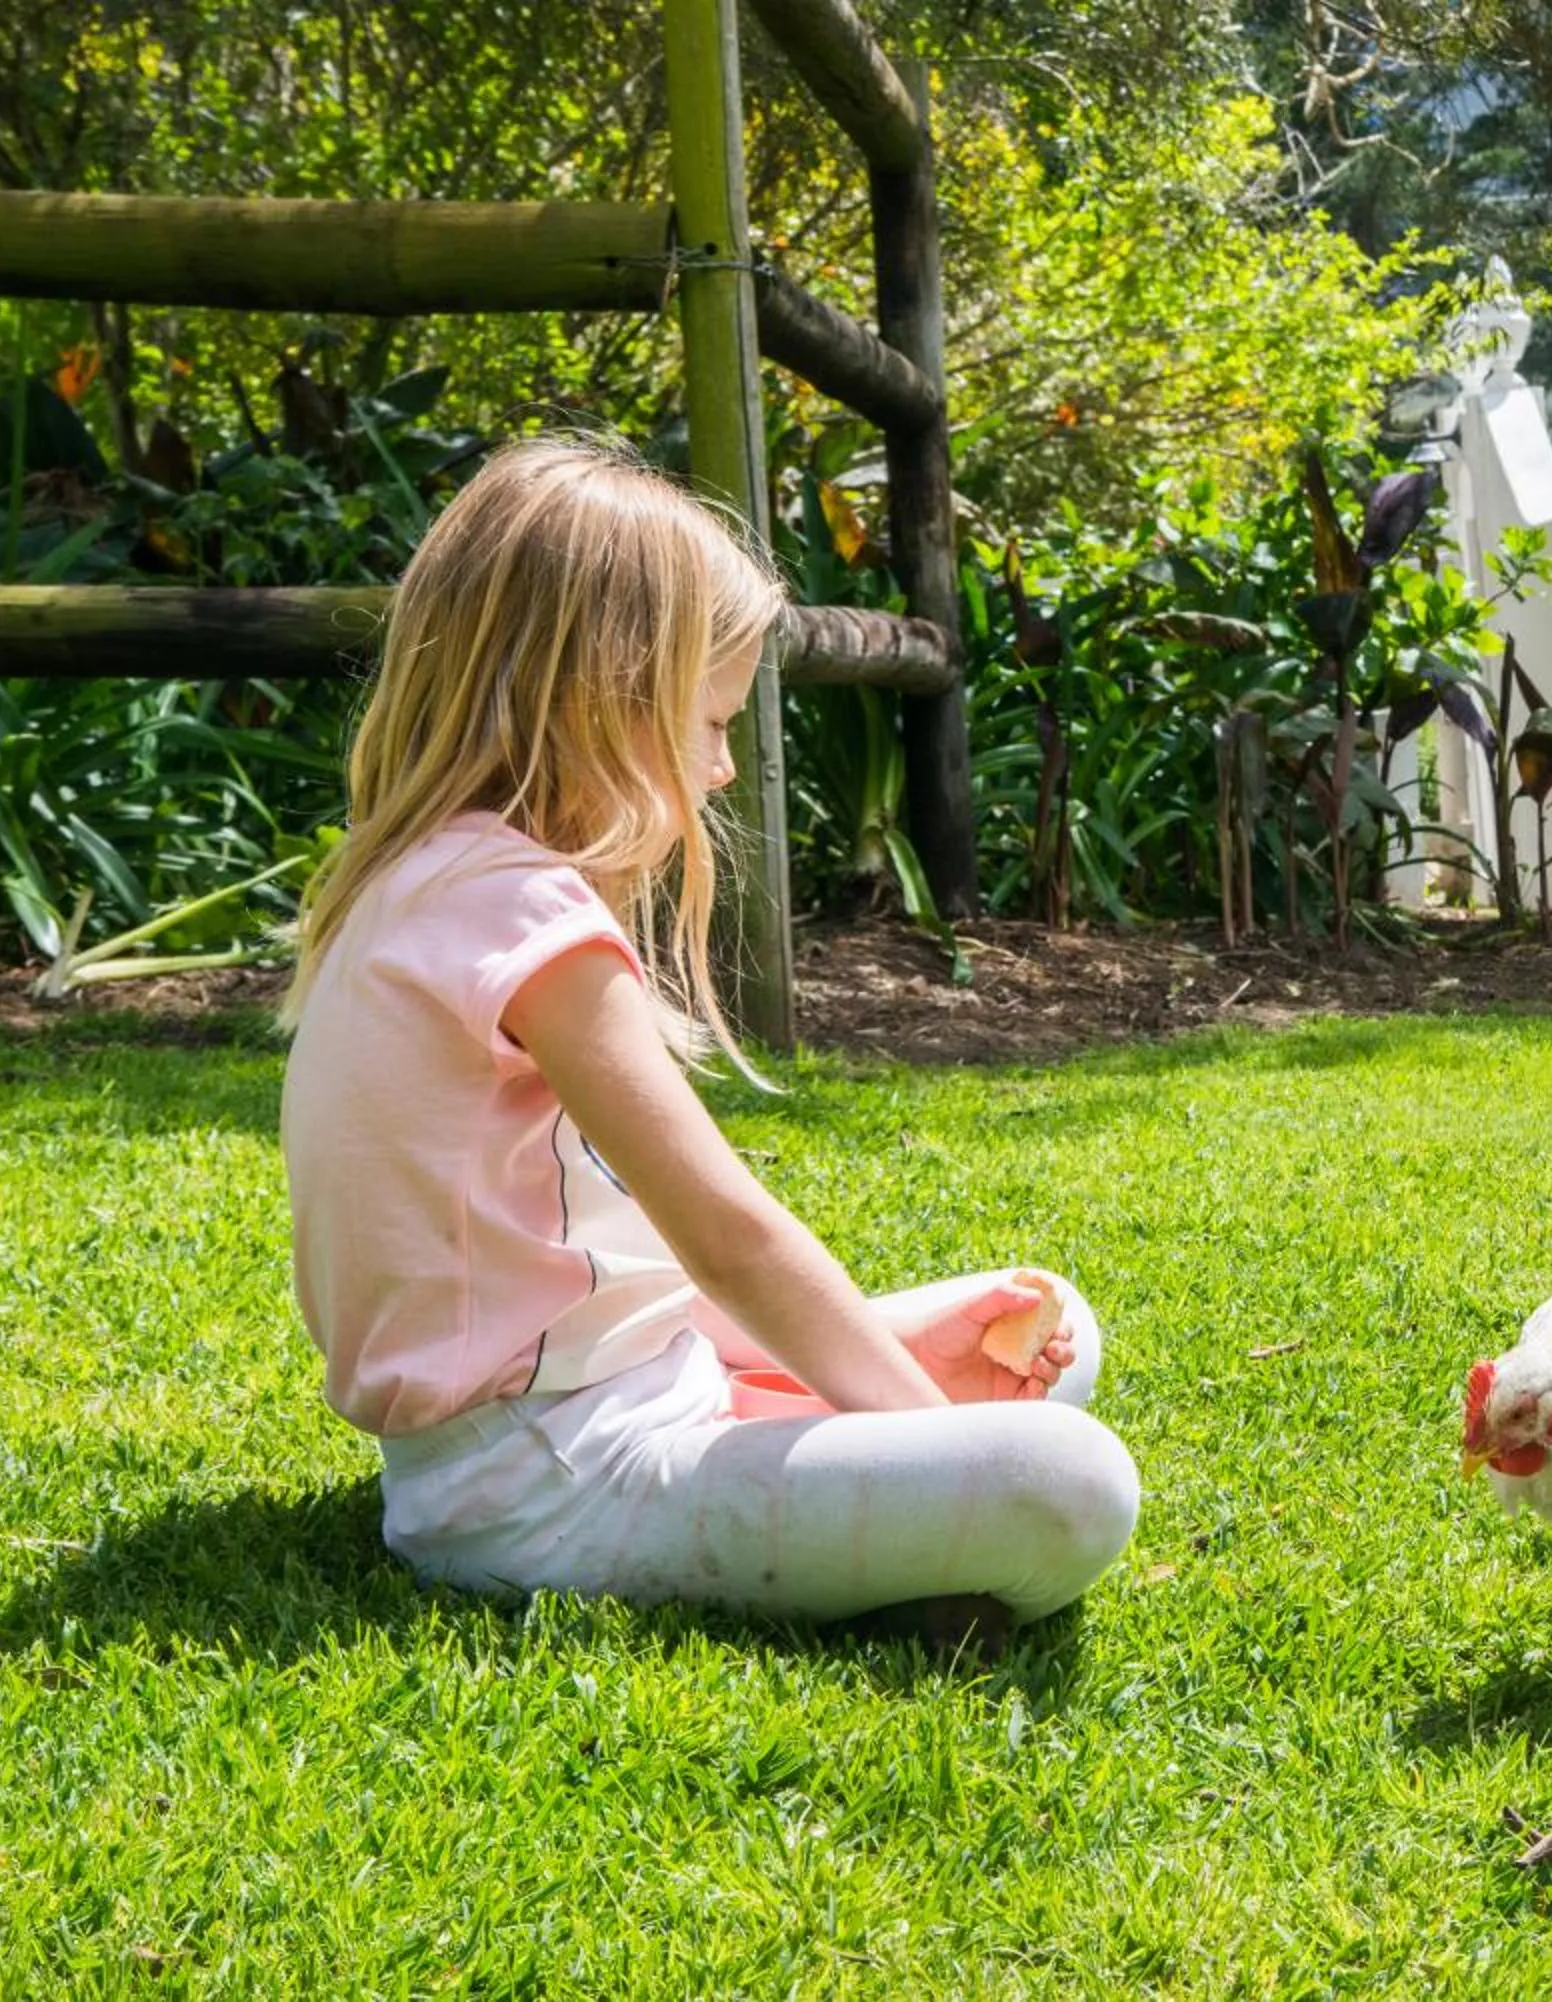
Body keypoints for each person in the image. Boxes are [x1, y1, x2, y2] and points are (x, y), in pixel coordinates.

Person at [278, 433, 1138, 1643]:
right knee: (1071, 1483)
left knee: (1052, 1321)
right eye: (713, 719)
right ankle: (905, 1520)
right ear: (603, 698)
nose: (726, 766)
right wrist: (916, 1420)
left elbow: (583, 1275)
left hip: (563, 1409)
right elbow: (727, 1237)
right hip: (545, 1479)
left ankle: (869, 1476)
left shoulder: (423, 884)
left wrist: (881, 1351)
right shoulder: (521, 913)